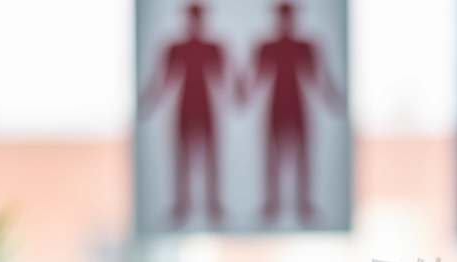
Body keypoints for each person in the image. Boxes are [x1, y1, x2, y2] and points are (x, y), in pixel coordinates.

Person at [243, 3, 343, 224]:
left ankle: (303, 204)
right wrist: (244, 96)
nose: (286, 22)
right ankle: (273, 203)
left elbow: (319, 78)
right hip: (276, 105)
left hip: (297, 105)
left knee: (302, 156)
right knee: (272, 157)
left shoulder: (306, 46)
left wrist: (332, 99)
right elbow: (258, 78)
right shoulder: (267, 46)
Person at [140, 4, 229, 225]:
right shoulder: (175, 48)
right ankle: (182, 204)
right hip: (185, 106)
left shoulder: (213, 47)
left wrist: (239, 96)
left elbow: (222, 79)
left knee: (210, 157)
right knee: (182, 158)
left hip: (206, 106)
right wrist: (149, 101)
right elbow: (164, 80)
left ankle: (212, 203)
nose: (195, 24)